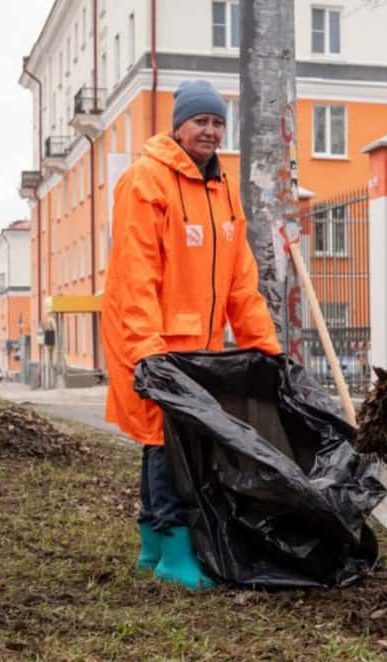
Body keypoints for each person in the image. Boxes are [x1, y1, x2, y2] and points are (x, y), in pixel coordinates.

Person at [102, 79, 282, 591]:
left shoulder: (223, 188)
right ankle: (175, 550)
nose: (209, 130)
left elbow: (240, 281)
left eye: (217, 122)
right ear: (178, 125)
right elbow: (136, 274)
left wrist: (264, 347)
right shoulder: (146, 181)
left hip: (200, 350)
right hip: (153, 341)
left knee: (167, 443)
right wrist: (147, 353)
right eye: (200, 121)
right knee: (167, 442)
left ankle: (152, 543)